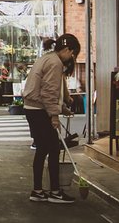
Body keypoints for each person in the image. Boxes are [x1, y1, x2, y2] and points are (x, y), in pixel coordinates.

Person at [23, 33, 80, 204]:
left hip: (33, 108)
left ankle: (38, 190)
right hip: (39, 110)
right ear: (67, 49)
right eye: (73, 53)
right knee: (53, 149)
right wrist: (55, 115)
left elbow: (47, 91)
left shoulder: (48, 58)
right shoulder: (55, 63)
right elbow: (48, 93)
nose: (72, 57)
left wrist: (62, 108)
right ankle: (55, 191)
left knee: (42, 149)